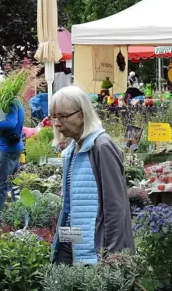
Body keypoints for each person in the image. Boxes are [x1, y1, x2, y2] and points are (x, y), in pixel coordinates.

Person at [51, 86, 134, 265]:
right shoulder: (73, 148)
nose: (57, 123)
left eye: (63, 116)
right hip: (74, 243)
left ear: (82, 114)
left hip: (96, 250)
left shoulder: (101, 146)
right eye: (54, 117)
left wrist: (113, 255)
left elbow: (115, 205)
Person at [0, 94, 25, 215]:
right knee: (15, 183)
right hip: (14, 147)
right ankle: (17, 213)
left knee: (1, 184)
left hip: (7, 149)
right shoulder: (18, 102)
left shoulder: (11, 103)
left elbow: (11, 123)